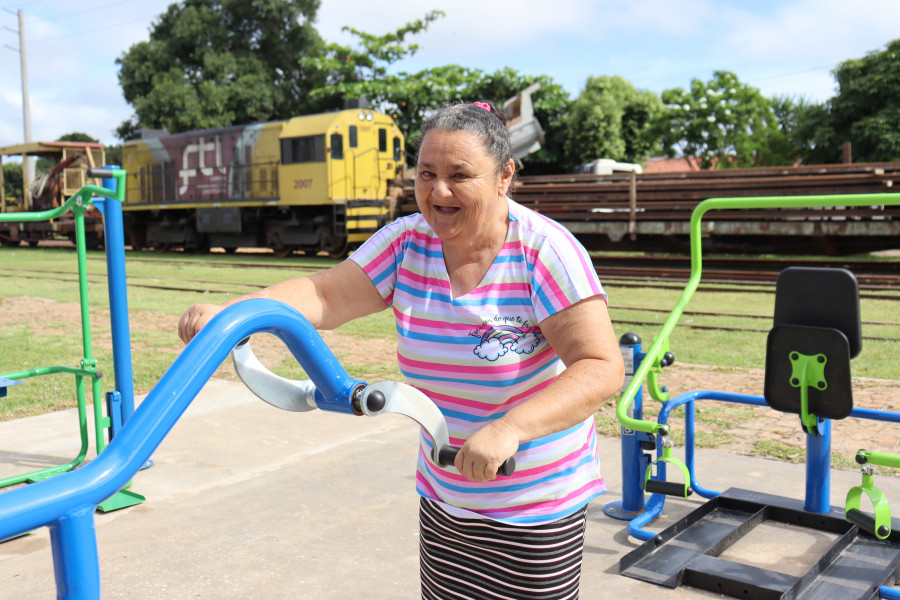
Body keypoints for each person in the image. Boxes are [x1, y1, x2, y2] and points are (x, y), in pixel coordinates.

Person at [178, 100, 625, 599]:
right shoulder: (407, 243)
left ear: (504, 176)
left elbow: (600, 366)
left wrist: (509, 429)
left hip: (534, 502)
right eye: (426, 173)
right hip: (445, 489)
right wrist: (236, 312)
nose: (439, 191)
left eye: (460, 175)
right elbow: (326, 295)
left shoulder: (544, 250)